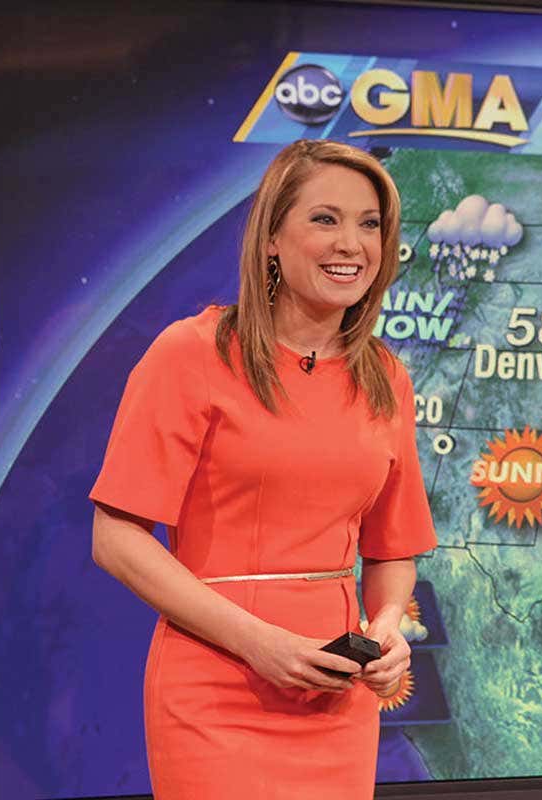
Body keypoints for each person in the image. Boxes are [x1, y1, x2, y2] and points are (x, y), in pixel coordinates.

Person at [90, 139, 437, 799]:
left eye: (370, 224)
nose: (351, 244)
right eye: (325, 219)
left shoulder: (386, 377)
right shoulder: (191, 353)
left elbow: (393, 549)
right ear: (272, 238)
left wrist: (388, 628)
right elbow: (116, 537)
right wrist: (258, 643)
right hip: (217, 688)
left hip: (335, 696)